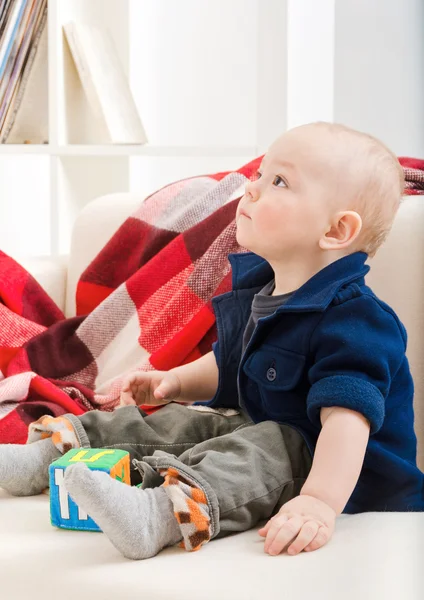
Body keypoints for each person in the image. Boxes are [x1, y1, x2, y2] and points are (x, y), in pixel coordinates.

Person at [1, 122, 423, 561]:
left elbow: (345, 424)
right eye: (259, 174)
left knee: (267, 448)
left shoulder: (357, 321)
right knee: (181, 421)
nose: (251, 189)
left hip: (341, 481)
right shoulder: (263, 290)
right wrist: (174, 383)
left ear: (336, 231)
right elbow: (230, 362)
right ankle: (47, 456)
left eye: (278, 181)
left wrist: (319, 501)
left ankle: (158, 515)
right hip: (261, 433)